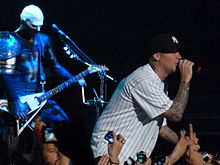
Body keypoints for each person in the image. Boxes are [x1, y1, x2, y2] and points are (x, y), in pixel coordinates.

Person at [0, 4, 86, 164]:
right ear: (23, 21)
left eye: (40, 26)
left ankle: (51, 158)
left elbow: (55, 66)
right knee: (17, 144)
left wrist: (74, 78)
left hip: (40, 100)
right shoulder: (8, 41)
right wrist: (16, 101)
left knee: (57, 127)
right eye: (34, 26)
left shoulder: (43, 39)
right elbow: (5, 75)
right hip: (17, 103)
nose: (37, 30)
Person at [91, 34, 194, 164]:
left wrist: (183, 142)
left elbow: (161, 128)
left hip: (129, 155)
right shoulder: (144, 80)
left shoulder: (160, 84)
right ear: (157, 56)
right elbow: (175, 114)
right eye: (173, 52)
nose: (179, 56)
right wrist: (185, 79)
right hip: (110, 152)